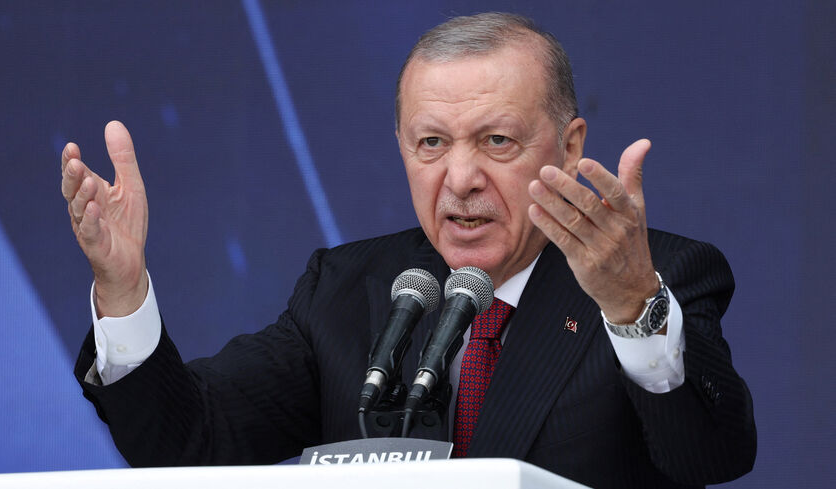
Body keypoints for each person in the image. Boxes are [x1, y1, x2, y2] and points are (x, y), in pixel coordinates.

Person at [62, 12, 755, 488]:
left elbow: (712, 451)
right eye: (431, 144)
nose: (459, 179)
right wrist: (122, 291)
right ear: (401, 147)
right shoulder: (346, 288)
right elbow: (189, 443)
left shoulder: (656, 278)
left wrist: (634, 306)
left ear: (570, 146)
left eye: (497, 141)